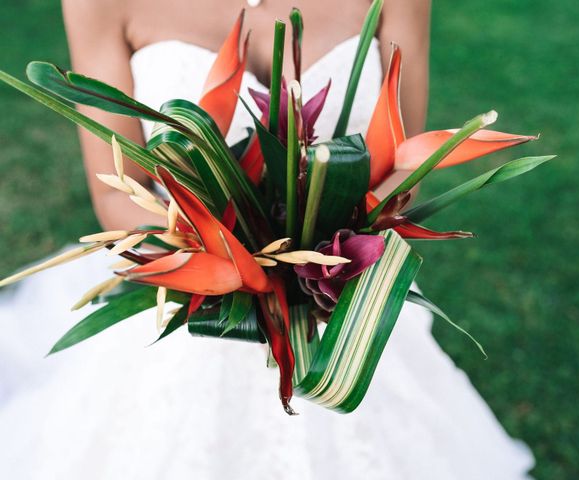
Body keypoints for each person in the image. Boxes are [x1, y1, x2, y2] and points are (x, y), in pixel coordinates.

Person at [0, 0, 535, 478]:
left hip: (337, 286)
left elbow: (403, 163)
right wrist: (239, 272)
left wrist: (321, 266)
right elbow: (121, 191)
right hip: (195, 286)